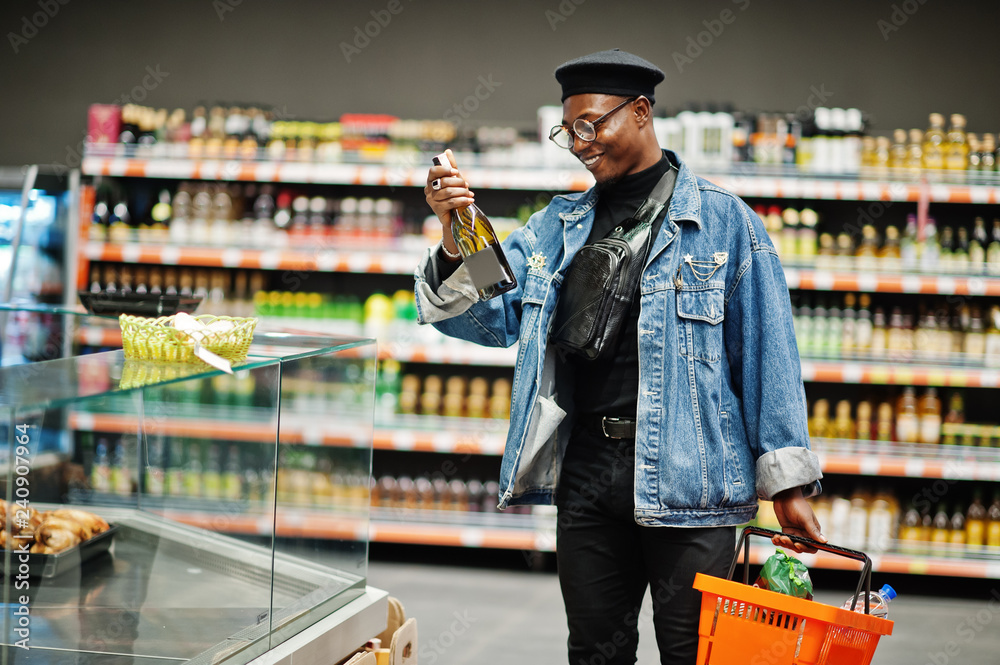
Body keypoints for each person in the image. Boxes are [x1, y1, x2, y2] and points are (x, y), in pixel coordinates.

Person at [415, 48, 824, 665]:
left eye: (590, 124)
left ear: (640, 112)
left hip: (695, 485)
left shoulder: (722, 223)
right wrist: (454, 233)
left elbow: (767, 351)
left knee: (695, 654)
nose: (578, 143)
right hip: (587, 479)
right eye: (567, 130)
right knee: (595, 654)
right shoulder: (557, 226)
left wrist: (787, 484)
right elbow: (493, 317)